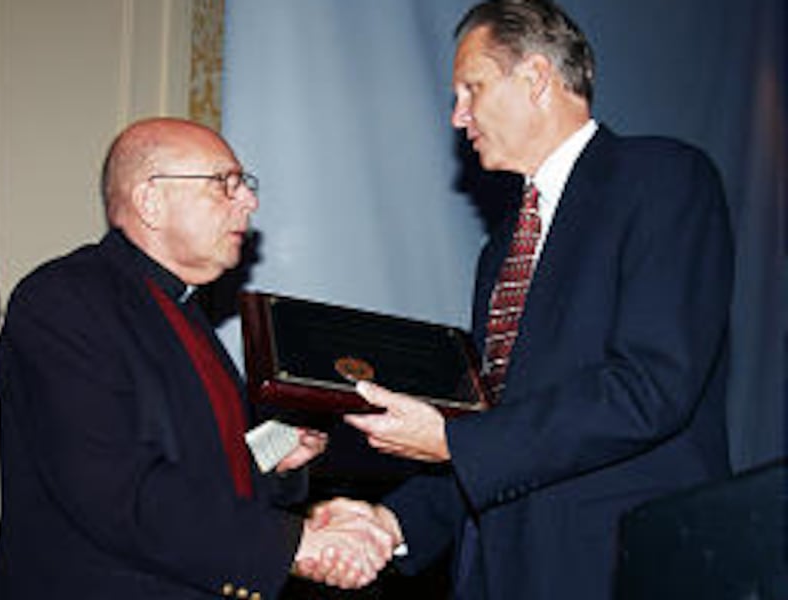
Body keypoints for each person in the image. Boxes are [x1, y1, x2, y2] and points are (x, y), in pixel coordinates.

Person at [300, 1, 735, 598]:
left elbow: (650, 387)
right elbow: (502, 433)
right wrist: (391, 522)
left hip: (617, 568)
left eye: (470, 90)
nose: (458, 117)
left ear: (534, 79)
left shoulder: (663, 180)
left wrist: (452, 441)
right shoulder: (502, 244)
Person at [0, 117, 394, 599]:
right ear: (151, 202)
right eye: (225, 184)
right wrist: (294, 545)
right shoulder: (64, 301)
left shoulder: (182, 311)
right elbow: (116, 491)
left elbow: (193, 459)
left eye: (244, 184)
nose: (249, 200)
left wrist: (275, 460)